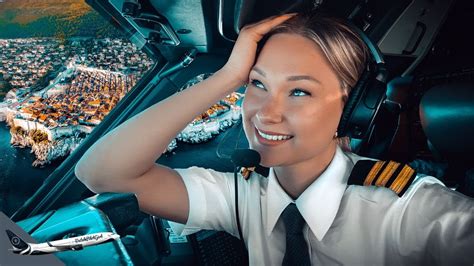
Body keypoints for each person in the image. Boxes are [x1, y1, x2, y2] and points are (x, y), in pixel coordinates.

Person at [75, 11, 474, 265]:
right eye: (258, 85)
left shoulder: (412, 213)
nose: (266, 112)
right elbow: (104, 174)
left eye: (300, 91)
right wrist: (228, 76)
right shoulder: (243, 195)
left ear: (356, 109)